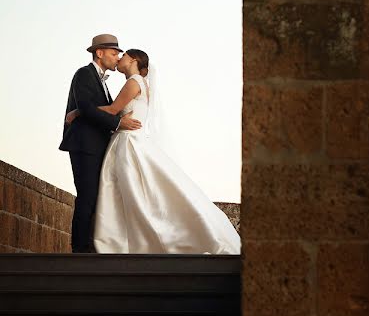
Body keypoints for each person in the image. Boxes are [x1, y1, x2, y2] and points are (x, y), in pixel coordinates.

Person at [65, 49, 240, 254]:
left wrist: (79, 111)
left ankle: (121, 241)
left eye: (124, 56)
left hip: (127, 141)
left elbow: (112, 110)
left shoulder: (133, 82)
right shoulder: (141, 83)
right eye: (117, 55)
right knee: (134, 193)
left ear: (134, 61)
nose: (120, 59)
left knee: (127, 192)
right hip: (130, 138)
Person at [59, 34, 142, 252]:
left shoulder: (102, 81)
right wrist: (118, 122)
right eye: (114, 53)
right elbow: (87, 108)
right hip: (84, 145)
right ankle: (79, 250)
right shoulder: (84, 74)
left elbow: (91, 110)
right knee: (87, 195)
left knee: (95, 195)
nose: (117, 58)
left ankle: (89, 246)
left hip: (96, 145)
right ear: (100, 52)